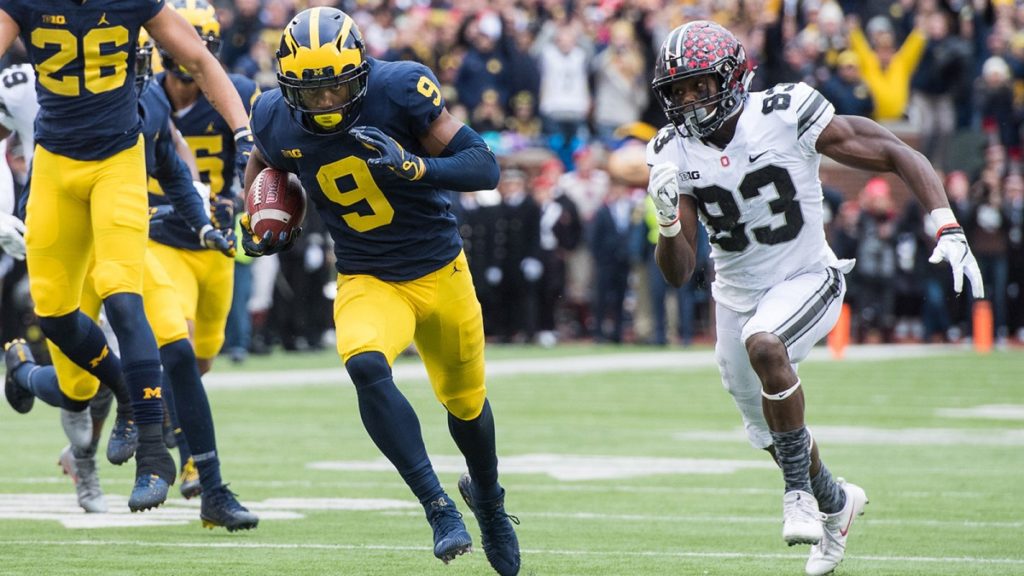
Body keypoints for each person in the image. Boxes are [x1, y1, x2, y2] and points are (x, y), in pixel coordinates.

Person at [644, 21, 984, 576]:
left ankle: (797, 495)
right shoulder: (670, 150)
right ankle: (834, 501)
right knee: (772, 431)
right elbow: (679, 273)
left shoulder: (784, 112)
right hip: (735, 295)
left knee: (765, 344)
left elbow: (895, 151)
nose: (687, 101)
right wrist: (665, 222)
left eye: (698, 86)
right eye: (676, 91)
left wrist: (945, 224)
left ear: (731, 79)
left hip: (808, 275)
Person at [241, 8, 519, 575]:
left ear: (362, 73)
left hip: (440, 271)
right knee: (365, 364)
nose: (325, 103)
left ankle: (489, 500)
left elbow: (484, 166)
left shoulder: (399, 91)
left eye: (336, 88)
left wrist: (416, 167)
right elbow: (266, 167)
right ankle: (438, 507)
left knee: (466, 405)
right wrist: (262, 220)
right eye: (311, 92)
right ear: (289, 89)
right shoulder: (272, 115)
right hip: (367, 275)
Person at [0, 0, 253, 511]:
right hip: (55, 167)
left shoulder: (148, 87)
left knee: (126, 298)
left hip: (116, 163)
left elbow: (199, 69)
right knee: (53, 315)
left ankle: (158, 456)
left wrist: (245, 137)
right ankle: (117, 394)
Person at [148, 0, 259, 496]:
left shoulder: (235, 92)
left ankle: (152, 411)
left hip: (216, 242)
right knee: (181, 342)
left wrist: (238, 195)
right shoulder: (146, 95)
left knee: (203, 360)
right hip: (161, 238)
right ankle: (191, 456)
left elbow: (252, 155)